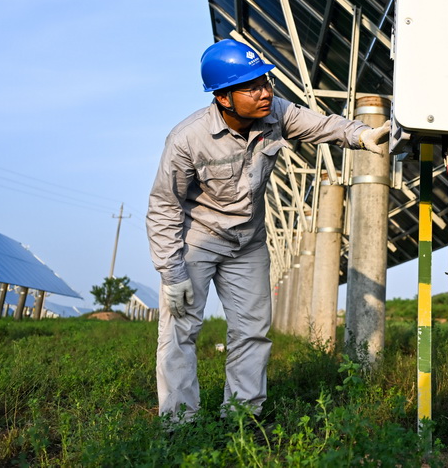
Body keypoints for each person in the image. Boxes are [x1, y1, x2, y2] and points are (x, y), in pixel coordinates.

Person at [146, 39, 389, 423]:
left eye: (265, 81)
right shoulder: (186, 139)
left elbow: (321, 125)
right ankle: (179, 423)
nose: (266, 92)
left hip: (248, 242)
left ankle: (241, 417)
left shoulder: (276, 113)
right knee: (180, 329)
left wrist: (361, 135)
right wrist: (171, 273)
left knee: (252, 330)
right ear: (224, 98)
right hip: (199, 240)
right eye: (252, 86)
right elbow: (164, 206)